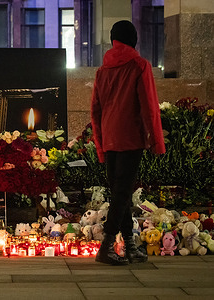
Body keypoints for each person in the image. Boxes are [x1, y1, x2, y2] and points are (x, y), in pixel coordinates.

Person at [91, 20, 166, 265]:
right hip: (131, 138)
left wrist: (101, 145)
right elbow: (150, 107)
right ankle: (107, 246)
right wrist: (157, 142)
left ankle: (130, 246)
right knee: (122, 193)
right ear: (133, 39)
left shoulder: (102, 71)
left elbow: (96, 111)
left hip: (111, 138)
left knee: (119, 194)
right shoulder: (139, 66)